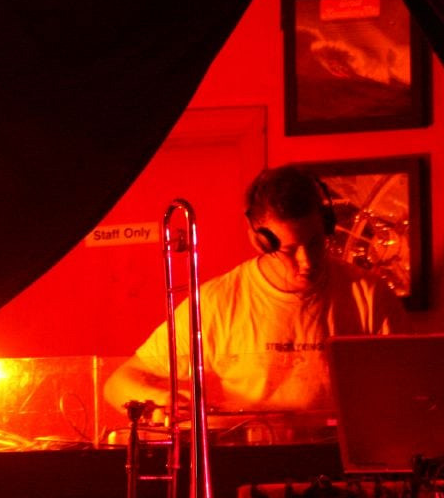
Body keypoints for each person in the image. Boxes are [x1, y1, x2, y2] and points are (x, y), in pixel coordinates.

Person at [103, 165, 407, 418]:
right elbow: (118, 384)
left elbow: (411, 386)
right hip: (248, 456)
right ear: (259, 241)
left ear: (326, 225)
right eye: (289, 250)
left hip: (339, 459)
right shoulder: (217, 303)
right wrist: (162, 399)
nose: (307, 262)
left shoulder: (368, 295)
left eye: (315, 242)